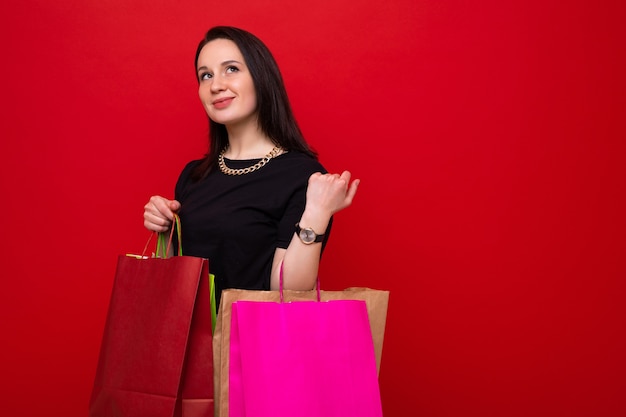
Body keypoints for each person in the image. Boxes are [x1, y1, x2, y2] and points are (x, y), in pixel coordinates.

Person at [143, 26, 359, 303]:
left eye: (231, 69)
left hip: (256, 343)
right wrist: (165, 229)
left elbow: (290, 294)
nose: (216, 85)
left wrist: (317, 214)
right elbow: (174, 287)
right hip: (191, 344)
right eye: (205, 75)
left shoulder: (302, 176)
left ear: (261, 77)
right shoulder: (193, 176)